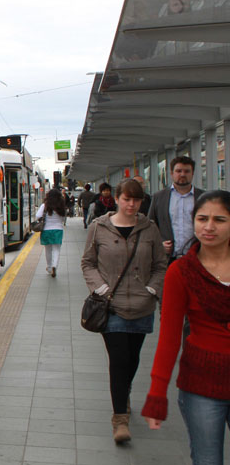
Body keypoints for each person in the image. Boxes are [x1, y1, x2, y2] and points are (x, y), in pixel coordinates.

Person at [142, 191, 230, 465]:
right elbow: (168, 338)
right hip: (201, 386)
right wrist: (156, 395)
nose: (209, 227)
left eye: (219, 220)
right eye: (202, 219)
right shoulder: (181, 272)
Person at [81, 178, 168, 443]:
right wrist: (102, 289)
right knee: (118, 360)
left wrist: (152, 290)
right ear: (117, 198)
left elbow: (160, 265)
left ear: (142, 201)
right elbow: (88, 263)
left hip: (141, 306)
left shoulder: (149, 229)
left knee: (132, 359)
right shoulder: (99, 228)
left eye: (137, 200)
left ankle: (124, 392)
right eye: (127, 199)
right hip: (113, 306)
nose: (131, 204)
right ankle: (120, 418)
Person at [149, 156, 204, 264]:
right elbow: (151, 225)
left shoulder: (203, 197)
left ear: (192, 173)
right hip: (168, 259)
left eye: (187, 171)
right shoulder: (159, 197)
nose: (182, 174)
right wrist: (159, 244)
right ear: (171, 173)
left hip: (198, 257)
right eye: (178, 171)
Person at [35, 187, 66, 278]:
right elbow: (63, 219)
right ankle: (54, 266)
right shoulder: (61, 206)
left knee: (48, 249)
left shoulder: (45, 205)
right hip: (58, 230)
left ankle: (49, 267)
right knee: (56, 249)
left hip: (46, 230)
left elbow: (38, 216)